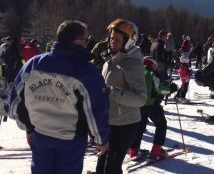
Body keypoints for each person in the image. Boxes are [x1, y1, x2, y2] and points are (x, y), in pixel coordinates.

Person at [8, 20, 109, 174]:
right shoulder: (86, 71)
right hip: (71, 140)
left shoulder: (34, 64)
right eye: (86, 40)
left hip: (41, 135)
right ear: (77, 41)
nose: (88, 44)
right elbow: (95, 110)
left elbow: (15, 102)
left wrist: (29, 128)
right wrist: (101, 139)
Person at [95, 18, 147, 174]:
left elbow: (141, 97)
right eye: (111, 38)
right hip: (109, 120)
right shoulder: (111, 59)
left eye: (117, 39)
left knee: (111, 168)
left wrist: (113, 92)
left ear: (129, 41)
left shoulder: (132, 63)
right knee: (100, 167)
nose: (112, 42)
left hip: (125, 124)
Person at [129, 57, 177, 160]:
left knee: (139, 128)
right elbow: (160, 89)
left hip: (138, 105)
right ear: (153, 65)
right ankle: (156, 151)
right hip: (151, 105)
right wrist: (171, 89)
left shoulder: (137, 73)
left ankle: (134, 151)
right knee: (161, 124)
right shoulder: (152, 74)